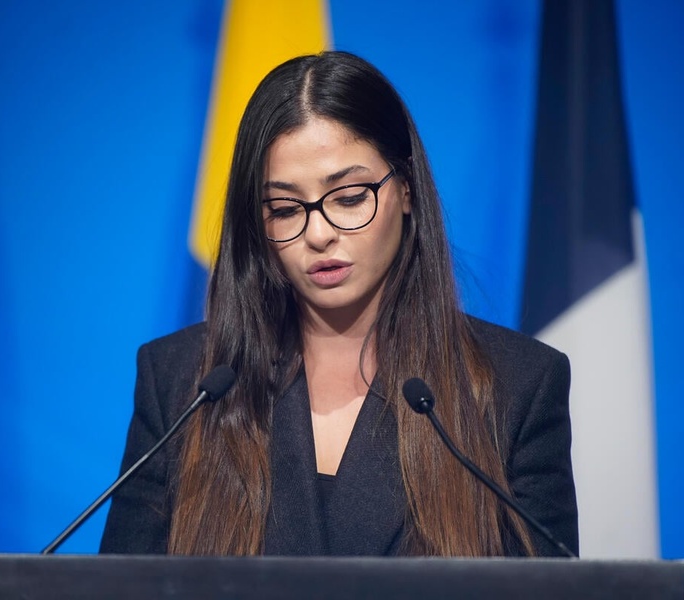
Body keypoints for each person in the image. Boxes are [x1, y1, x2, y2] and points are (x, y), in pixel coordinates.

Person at [100, 51, 577, 557]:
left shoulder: (518, 386)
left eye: (349, 197)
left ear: (407, 188)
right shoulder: (181, 384)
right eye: (285, 209)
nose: (320, 234)